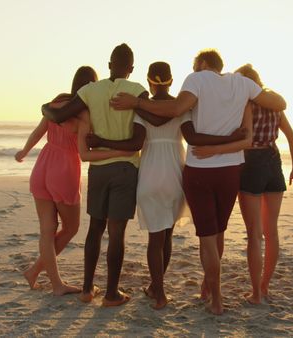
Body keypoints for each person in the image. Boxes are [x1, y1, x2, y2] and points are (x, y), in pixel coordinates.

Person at [110, 49, 287, 315]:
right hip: (230, 170)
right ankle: (209, 290)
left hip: (199, 169)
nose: (192, 70)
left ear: (203, 65)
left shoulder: (197, 80)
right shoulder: (243, 83)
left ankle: (215, 298)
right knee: (218, 235)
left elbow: (176, 109)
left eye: (194, 66)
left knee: (206, 239)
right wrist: (255, 96)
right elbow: (280, 103)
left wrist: (137, 103)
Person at [41, 43, 148, 307]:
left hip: (98, 169)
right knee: (117, 233)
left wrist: (44, 107)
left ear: (109, 65)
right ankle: (111, 294)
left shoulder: (90, 90)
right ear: (131, 69)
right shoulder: (137, 91)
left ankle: (87, 290)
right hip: (125, 169)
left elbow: (57, 115)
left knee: (95, 229)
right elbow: (137, 142)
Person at [192, 64, 293, 305]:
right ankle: (264, 286)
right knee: (271, 231)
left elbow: (242, 138)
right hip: (274, 162)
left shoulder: (245, 105)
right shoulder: (275, 107)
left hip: (251, 164)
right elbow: (292, 137)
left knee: (254, 235)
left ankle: (254, 293)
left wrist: (213, 149)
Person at [88, 61, 187, 309]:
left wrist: (101, 139)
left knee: (155, 238)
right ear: (172, 80)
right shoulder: (180, 107)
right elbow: (190, 134)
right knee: (167, 235)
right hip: (175, 175)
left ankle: (159, 293)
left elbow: (136, 142)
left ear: (149, 82)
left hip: (150, 175)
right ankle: (156, 289)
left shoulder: (140, 111)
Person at [14, 66, 97, 296]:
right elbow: (83, 151)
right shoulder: (84, 112)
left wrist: (24, 151)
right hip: (64, 170)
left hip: (42, 165)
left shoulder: (56, 103)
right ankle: (41, 275)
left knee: (47, 230)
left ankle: (45, 279)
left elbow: (39, 131)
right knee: (71, 227)